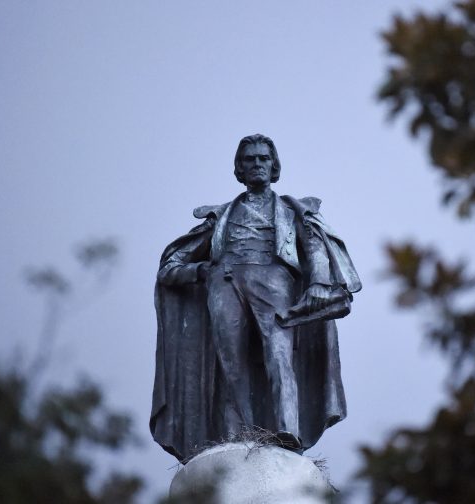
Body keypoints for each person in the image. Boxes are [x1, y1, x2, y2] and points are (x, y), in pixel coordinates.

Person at [150, 134, 361, 462]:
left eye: (264, 159)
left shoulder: (292, 210)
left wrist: (319, 283)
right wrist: (203, 271)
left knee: (279, 356)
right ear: (240, 169)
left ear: (274, 167)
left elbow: (315, 246)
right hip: (226, 283)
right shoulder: (220, 216)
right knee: (230, 364)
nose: (257, 164)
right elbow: (169, 269)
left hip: (275, 282)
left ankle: (287, 429)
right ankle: (238, 436)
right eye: (250, 160)